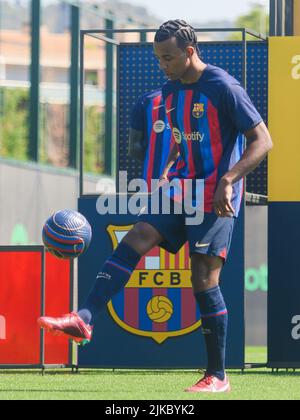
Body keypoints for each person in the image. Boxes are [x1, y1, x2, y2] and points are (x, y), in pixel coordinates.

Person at [38, 20, 273, 393]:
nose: (162, 65)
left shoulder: (223, 87)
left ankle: (218, 375)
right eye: (158, 58)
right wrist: (167, 169)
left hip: (215, 195)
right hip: (180, 187)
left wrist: (228, 181)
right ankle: (83, 319)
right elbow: (183, 138)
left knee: (202, 279)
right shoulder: (169, 91)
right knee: (138, 234)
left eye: (168, 58)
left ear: (190, 52)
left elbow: (262, 140)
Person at [128, 88, 179, 190]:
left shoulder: (147, 100)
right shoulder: (202, 99)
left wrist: (155, 160)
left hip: (153, 181)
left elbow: (134, 148)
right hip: (192, 183)